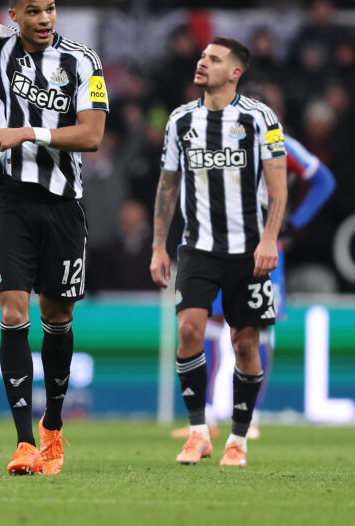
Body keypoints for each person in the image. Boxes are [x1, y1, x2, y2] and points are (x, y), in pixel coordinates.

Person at [0, 0, 108, 476]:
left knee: (59, 318)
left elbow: (92, 136)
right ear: (14, 16)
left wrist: (28, 131)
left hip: (64, 206)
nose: (44, 19)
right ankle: (24, 441)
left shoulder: (83, 62)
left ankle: (54, 427)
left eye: (50, 10)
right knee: (12, 310)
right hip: (11, 202)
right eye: (33, 12)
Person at [150, 37, 288, 468]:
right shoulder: (180, 120)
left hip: (248, 249)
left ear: (235, 73)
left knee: (244, 343)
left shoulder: (260, 118)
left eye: (213, 59)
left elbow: (279, 187)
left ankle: (238, 440)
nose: (201, 62)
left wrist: (269, 238)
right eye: (202, 56)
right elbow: (168, 184)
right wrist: (158, 244)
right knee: (189, 331)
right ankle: (197, 434)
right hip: (198, 247)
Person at [171, 131, 336, 440]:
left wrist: (294, 223)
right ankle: (205, 419)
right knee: (210, 321)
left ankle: (251, 417)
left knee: (256, 327)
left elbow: (324, 180)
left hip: (265, 246)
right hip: (219, 246)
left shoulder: (282, 141)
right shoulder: (214, 139)